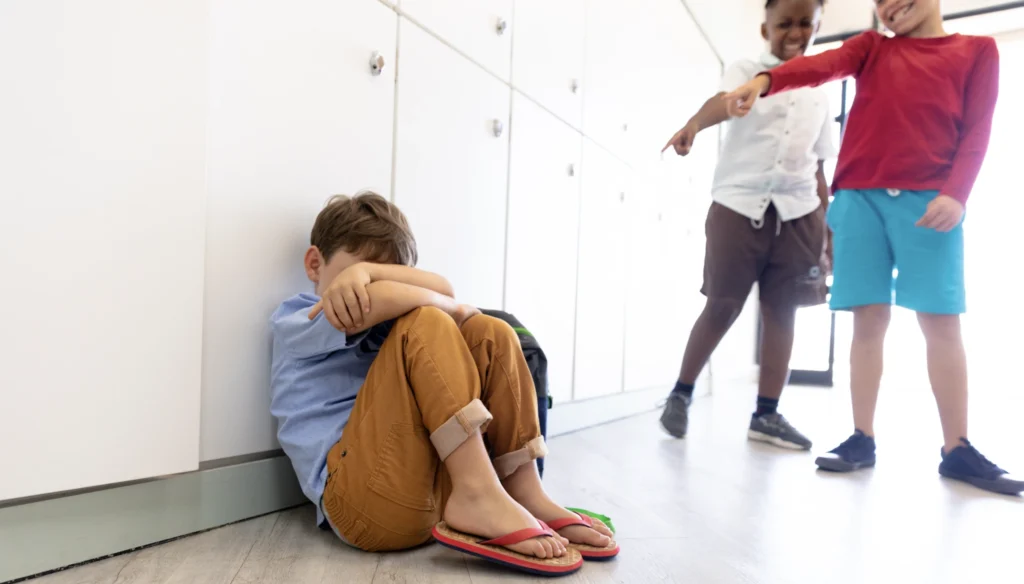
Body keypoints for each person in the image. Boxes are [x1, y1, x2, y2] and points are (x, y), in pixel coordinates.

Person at [724, 0, 1024, 495]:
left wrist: (958, 194)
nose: (888, 6)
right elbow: (817, 66)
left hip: (931, 202)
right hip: (859, 201)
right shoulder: (870, 49)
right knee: (867, 321)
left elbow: (978, 129)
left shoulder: (977, 50)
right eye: (879, 0)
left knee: (941, 322)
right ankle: (862, 437)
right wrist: (764, 81)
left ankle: (958, 448)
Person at [269, 192, 617, 576]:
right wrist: (434, 301)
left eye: (385, 273)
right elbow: (416, 298)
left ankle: (524, 491)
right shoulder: (300, 319)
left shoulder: (391, 324)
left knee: (491, 331)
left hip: (427, 499)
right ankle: (476, 492)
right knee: (428, 321)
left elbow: (442, 287)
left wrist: (364, 271)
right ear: (315, 264)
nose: (368, 282)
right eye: (362, 269)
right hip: (359, 504)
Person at [659, 0, 834, 450]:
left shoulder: (820, 90)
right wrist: (695, 124)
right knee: (723, 305)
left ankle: (767, 414)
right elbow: (725, 102)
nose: (795, 32)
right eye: (784, 24)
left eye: (805, 23)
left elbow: (818, 166)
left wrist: (827, 226)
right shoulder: (747, 68)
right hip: (738, 205)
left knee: (784, 312)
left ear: (817, 26)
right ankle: (681, 394)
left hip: (799, 213)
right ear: (765, 28)